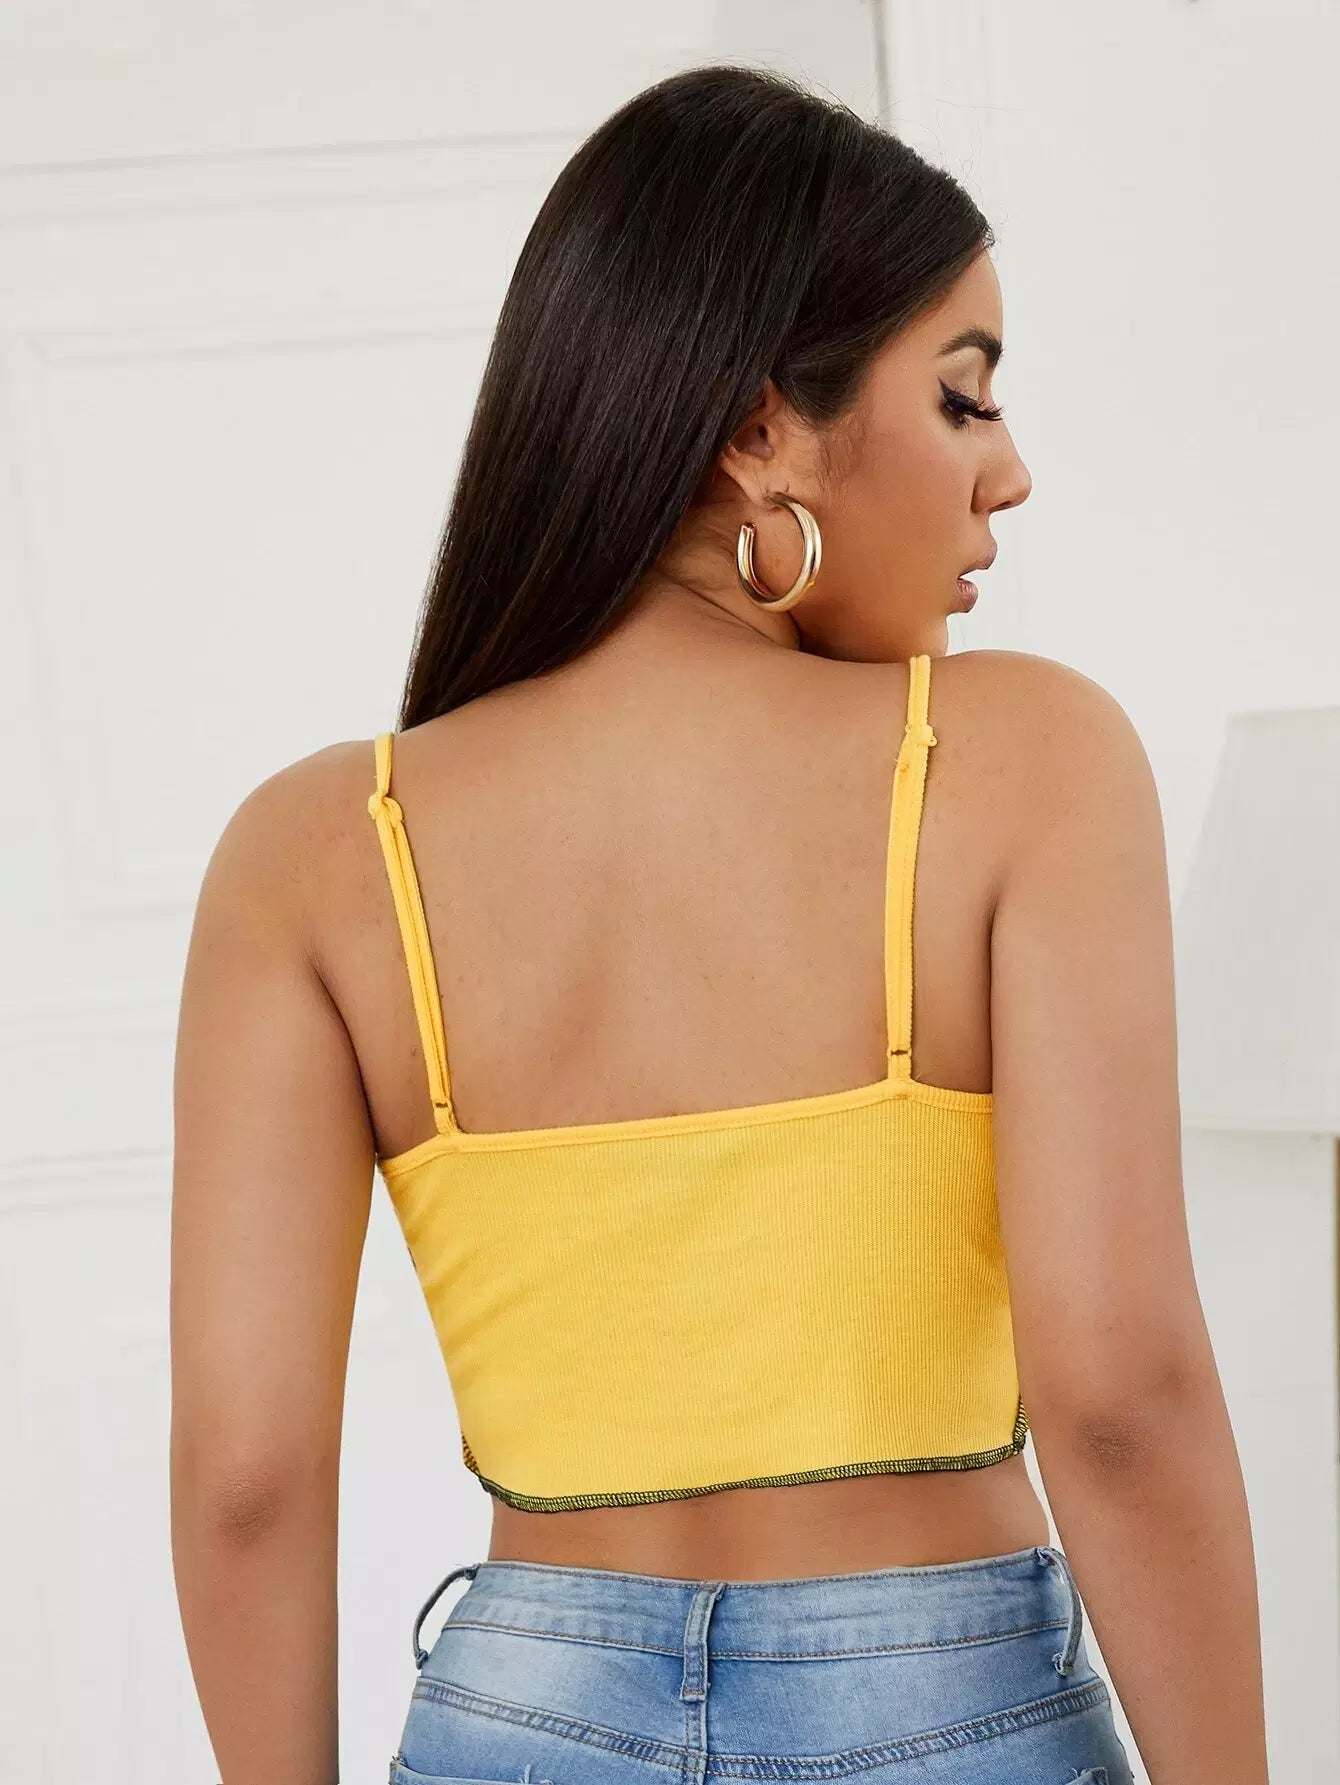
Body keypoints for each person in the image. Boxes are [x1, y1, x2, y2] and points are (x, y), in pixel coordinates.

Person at [169, 62, 1268, 1785]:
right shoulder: (1026, 760)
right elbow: (1119, 1392)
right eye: (964, 398)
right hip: (947, 1708)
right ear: (759, 432)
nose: (1010, 474)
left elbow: (243, 1473)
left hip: (517, 1718)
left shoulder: (310, 853)